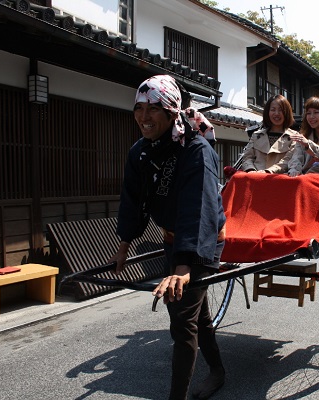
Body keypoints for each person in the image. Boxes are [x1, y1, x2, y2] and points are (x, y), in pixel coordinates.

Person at [110, 75, 226, 400]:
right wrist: (124, 245)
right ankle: (217, 371)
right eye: (138, 109)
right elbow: (132, 200)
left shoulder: (196, 150)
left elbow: (197, 209)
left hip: (202, 239)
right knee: (195, 314)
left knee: (182, 319)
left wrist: (184, 267)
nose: (143, 117)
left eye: (152, 109)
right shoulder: (141, 152)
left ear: (172, 110)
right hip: (173, 238)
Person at [239, 94, 299, 175]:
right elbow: (247, 157)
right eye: (273, 110)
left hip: (279, 181)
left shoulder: (294, 137)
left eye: (280, 110)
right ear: (268, 112)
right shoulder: (256, 135)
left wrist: (267, 172)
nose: (276, 113)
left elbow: (287, 160)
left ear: (286, 112)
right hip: (255, 179)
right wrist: (250, 170)